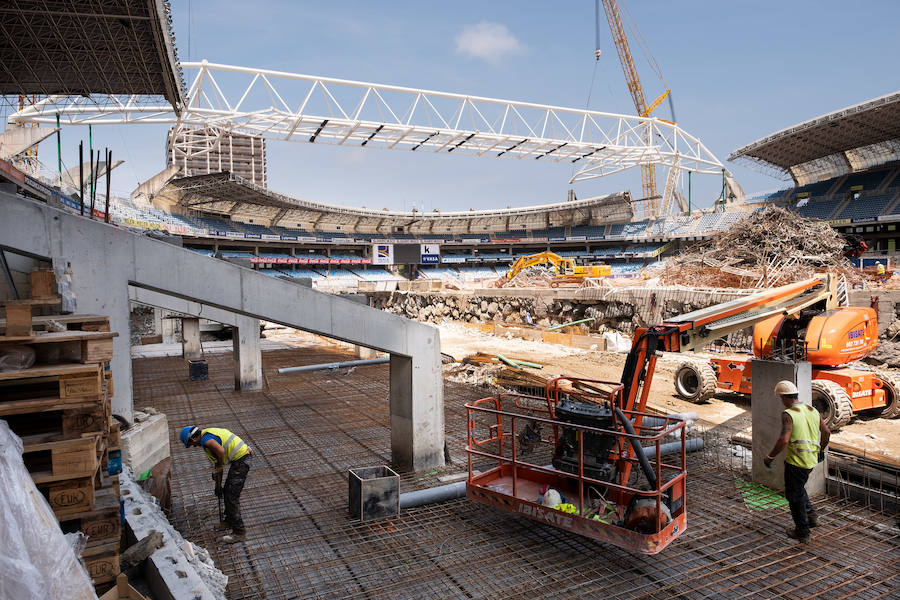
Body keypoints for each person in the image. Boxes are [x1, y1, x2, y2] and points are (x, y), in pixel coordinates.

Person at [763, 380, 830, 543]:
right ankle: (812, 516)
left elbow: (784, 439)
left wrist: (770, 456)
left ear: (785, 397)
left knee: (793, 496)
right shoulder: (812, 410)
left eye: (781, 398)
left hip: (796, 462)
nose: (781, 402)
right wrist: (821, 449)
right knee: (798, 489)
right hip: (811, 460)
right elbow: (826, 432)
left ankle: (802, 531)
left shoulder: (789, 414)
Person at [180, 425, 252, 543]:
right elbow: (218, 466)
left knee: (231, 497)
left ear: (192, 439)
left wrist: (218, 466)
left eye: (191, 444)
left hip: (243, 459)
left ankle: (240, 532)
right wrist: (218, 486)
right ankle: (229, 521)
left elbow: (221, 452)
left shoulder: (206, 440)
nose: (193, 447)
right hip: (239, 460)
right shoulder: (207, 438)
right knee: (226, 491)